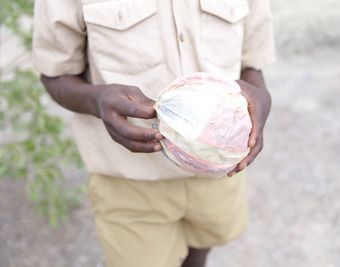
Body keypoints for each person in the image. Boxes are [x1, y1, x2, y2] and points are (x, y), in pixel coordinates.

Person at [32, 0, 275, 266]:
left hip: (218, 174)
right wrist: (97, 100)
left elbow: (252, 62)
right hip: (130, 183)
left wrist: (259, 96)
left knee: (201, 248)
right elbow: (55, 74)